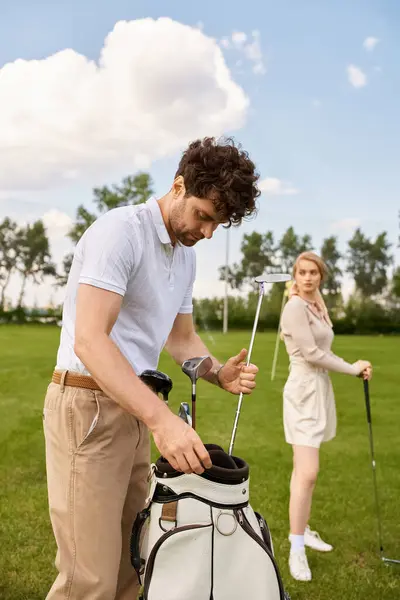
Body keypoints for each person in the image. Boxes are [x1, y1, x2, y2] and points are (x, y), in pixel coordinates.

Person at [42, 136, 261, 600]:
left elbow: (180, 339)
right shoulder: (121, 231)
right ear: (178, 185)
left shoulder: (186, 256)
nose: (206, 232)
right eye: (203, 215)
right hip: (88, 406)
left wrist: (216, 372)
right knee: (89, 579)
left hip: (136, 408)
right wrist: (163, 422)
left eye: (217, 225)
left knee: (132, 567)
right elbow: (90, 339)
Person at [279, 251, 372, 582]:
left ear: (321, 276)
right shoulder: (293, 308)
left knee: (307, 473)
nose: (307, 277)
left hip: (319, 391)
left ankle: (303, 529)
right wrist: (351, 369)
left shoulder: (316, 306)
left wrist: (355, 365)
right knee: (307, 473)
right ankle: (296, 547)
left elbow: (326, 348)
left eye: (313, 272)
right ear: (296, 275)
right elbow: (312, 353)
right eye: (301, 272)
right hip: (303, 392)